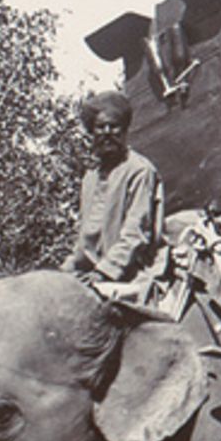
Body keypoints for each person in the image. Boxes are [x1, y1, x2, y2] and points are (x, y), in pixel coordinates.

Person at [60, 91, 162, 295]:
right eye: (100, 127)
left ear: (124, 131)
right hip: (89, 273)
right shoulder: (90, 177)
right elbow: (85, 240)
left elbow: (136, 234)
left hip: (129, 274)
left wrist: (103, 273)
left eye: (114, 126)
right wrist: (63, 273)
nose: (107, 132)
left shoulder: (139, 170)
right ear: (92, 132)